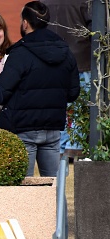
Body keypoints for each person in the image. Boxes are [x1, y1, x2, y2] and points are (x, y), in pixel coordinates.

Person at [0, 0, 80, 177]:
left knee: (23, 188)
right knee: (54, 187)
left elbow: (2, 92)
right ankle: (58, 207)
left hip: (23, 128)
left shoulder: (20, 52)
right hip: (53, 128)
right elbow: (73, 93)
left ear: (25, 23)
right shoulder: (65, 51)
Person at [42, 0, 92, 157]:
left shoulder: (43, 3)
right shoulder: (85, 2)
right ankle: (74, 145)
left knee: (58, 106)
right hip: (81, 60)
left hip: (52, 62)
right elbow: (95, 29)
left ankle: (60, 146)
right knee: (79, 105)